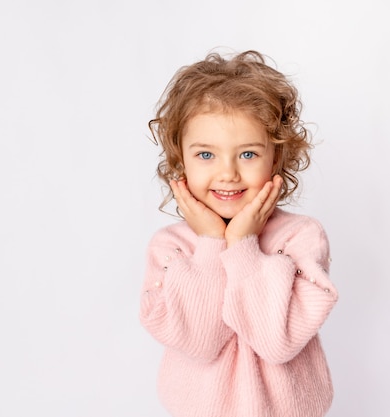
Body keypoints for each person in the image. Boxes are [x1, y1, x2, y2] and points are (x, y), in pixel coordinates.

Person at [140, 49, 338, 417]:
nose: (228, 173)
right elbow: (200, 342)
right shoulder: (170, 248)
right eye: (205, 155)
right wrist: (213, 244)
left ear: (275, 158)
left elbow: (275, 342)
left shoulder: (301, 239)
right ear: (180, 158)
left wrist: (243, 246)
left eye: (247, 154)